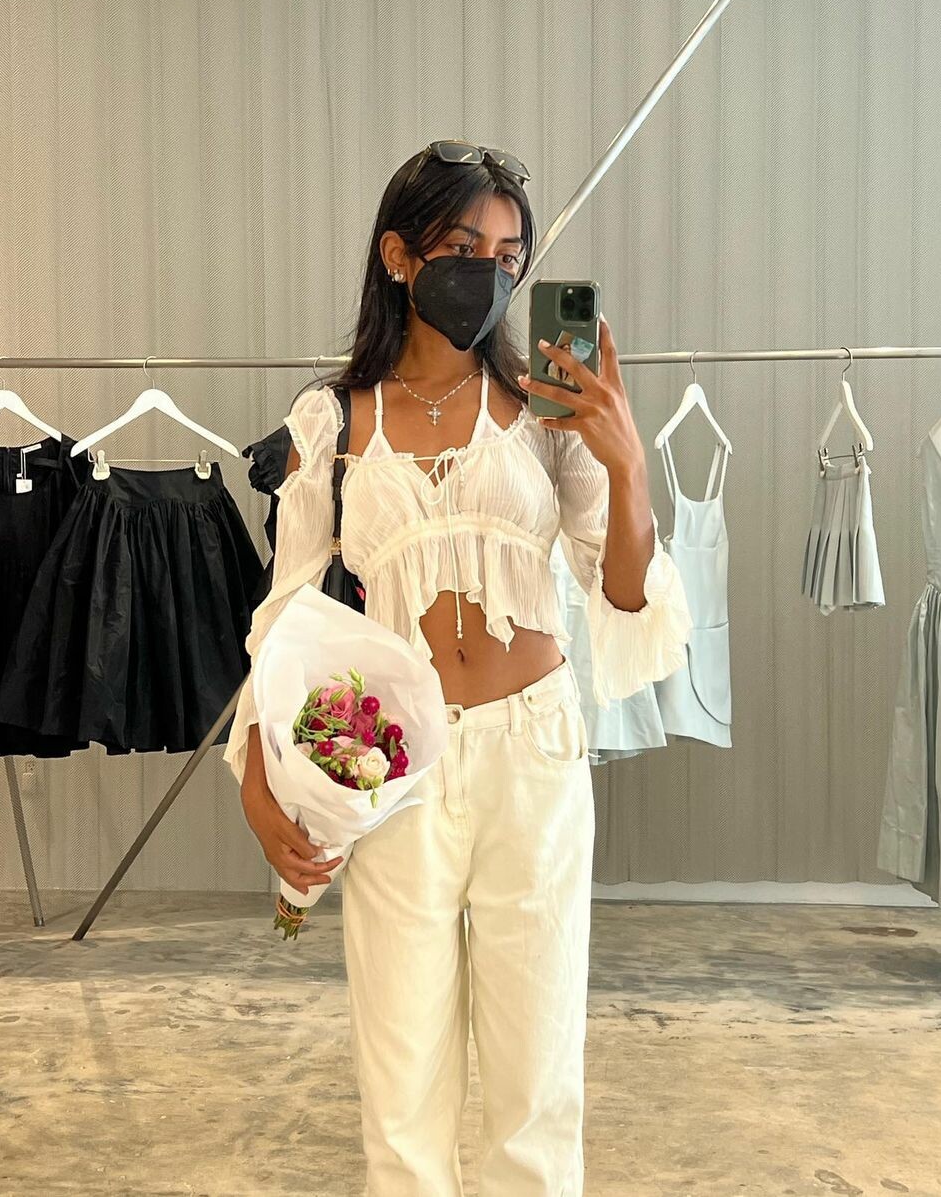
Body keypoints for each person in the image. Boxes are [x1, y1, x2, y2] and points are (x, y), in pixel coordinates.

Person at [224, 140, 693, 1195]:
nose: (488, 271)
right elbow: (284, 618)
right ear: (400, 255)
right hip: (398, 769)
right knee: (402, 1090)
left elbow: (625, 591)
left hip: (536, 755)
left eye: (508, 254)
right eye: (463, 247)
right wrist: (258, 777)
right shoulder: (333, 420)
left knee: (537, 1086)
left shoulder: (547, 412)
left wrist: (626, 465)